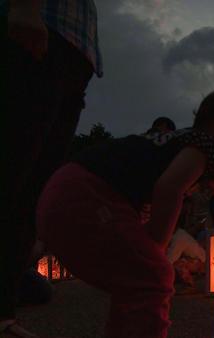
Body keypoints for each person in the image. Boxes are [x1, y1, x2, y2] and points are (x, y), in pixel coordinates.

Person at [35, 86, 214, 338]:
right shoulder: (205, 146)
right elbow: (169, 188)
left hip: (65, 193)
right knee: (153, 276)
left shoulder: (176, 146)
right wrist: (156, 245)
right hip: (85, 195)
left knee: (134, 283)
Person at [1, 0, 102, 336]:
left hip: (73, 54)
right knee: (14, 171)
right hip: (42, 31)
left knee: (32, 190)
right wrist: (25, 7)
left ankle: (3, 312)